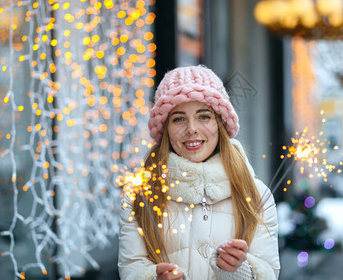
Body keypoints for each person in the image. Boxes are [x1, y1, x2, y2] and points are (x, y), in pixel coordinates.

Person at [118, 65, 280, 279]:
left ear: (220, 124)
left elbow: (268, 271)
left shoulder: (257, 195)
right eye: (178, 119)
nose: (192, 128)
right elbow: (132, 268)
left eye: (204, 116)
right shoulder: (139, 197)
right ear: (165, 128)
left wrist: (236, 270)